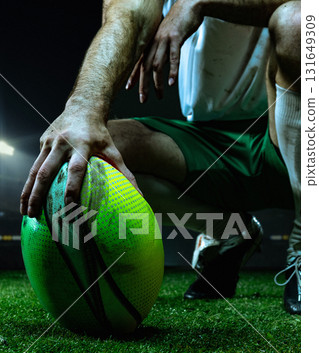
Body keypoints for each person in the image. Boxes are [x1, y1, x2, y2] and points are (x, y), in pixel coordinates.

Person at [20, 0, 301, 314]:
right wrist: (83, 108)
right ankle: (230, 231)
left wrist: (198, 2)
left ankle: (306, 241)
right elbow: (126, 14)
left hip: (292, 138)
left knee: (299, 20)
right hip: (210, 141)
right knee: (90, 156)